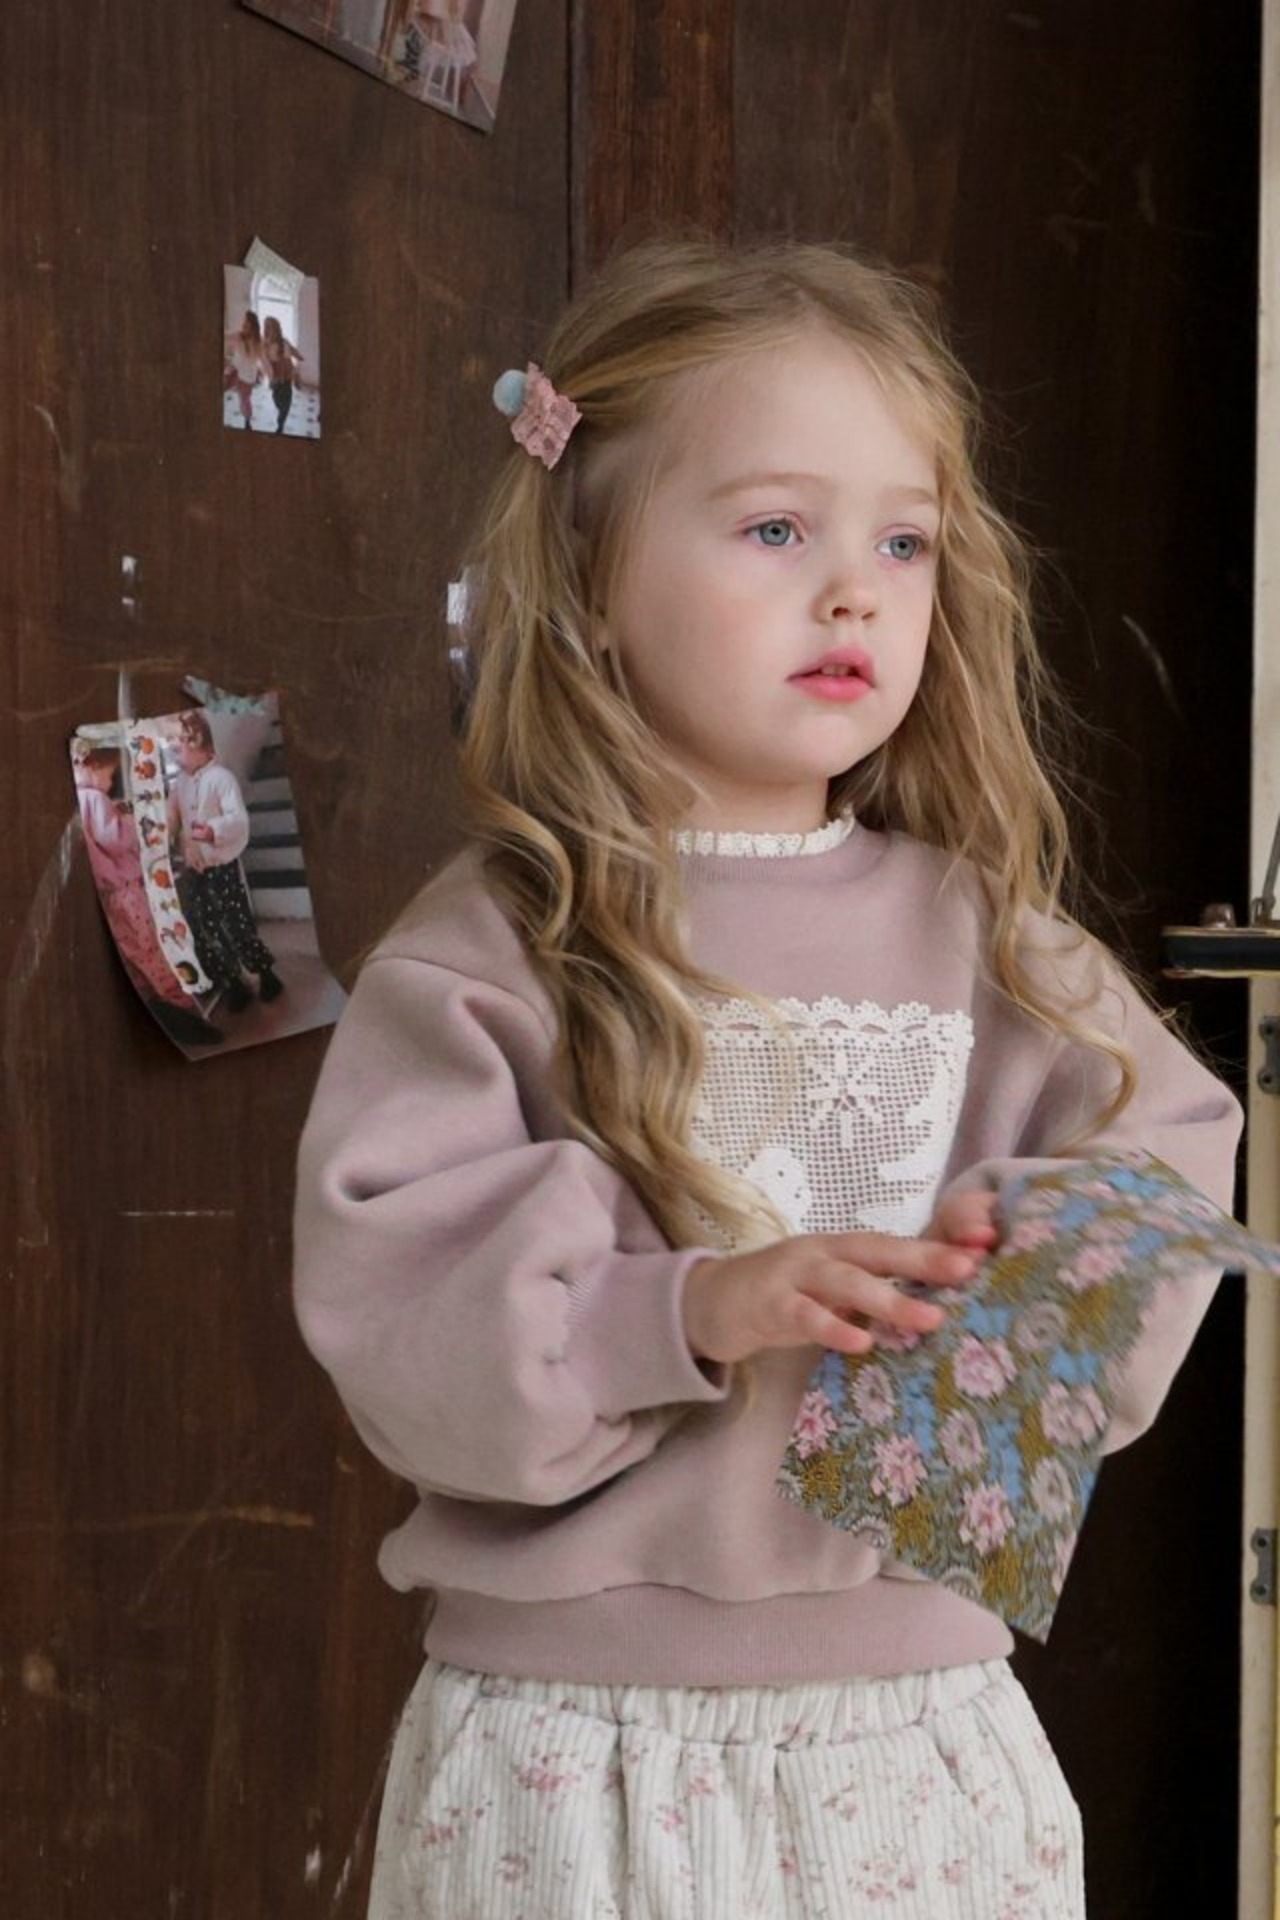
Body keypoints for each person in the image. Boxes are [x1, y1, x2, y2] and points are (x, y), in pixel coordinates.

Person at [292, 239, 1242, 1919]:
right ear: (590, 575)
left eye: (903, 543)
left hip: (916, 1735)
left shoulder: (995, 946)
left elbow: (1160, 1157)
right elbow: (408, 1326)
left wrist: (982, 1319)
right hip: (573, 1748)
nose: (856, 592)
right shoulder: (496, 949)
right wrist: (695, 1310)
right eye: (777, 529)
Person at [73, 744, 224, 1048]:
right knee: (154, 949)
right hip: (126, 892)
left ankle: (163, 1010)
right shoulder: (94, 798)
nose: (109, 783)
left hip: (110, 896)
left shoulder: (79, 800)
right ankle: (186, 1014)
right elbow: (116, 838)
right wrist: (134, 821)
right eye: (109, 775)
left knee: (135, 956)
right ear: (91, 767)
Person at [167, 710, 284, 1012]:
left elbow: (238, 819)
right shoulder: (181, 783)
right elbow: (172, 816)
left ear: (200, 747)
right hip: (196, 870)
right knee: (205, 928)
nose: (175, 756)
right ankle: (233, 982)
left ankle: (266, 973)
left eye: (180, 748)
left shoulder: (221, 778)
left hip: (223, 869)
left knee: (237, 925)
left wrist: (213, 830)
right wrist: (165, 835)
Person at [224, 310, 266, 430]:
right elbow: (226, 336)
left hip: (247, 377)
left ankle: (247, 421)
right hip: (234, 370)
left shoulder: (258, 342)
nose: (243, 326)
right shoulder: (238, 336)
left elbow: (264, 360)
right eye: (243, 323)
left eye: (246, 325)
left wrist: (270, 374)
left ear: (253, 328)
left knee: (244, 400)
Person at [262, 315, 303, 435]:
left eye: (272, 327)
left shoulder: (284, 341)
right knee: (277, 401)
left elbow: (292, 350)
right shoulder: (265, 345)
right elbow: (264, 361)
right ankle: (282, 414)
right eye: (267, 327)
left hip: (287, 378)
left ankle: (281, 424)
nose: (269, 330)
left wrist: (299, 356)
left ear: (277, 329)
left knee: (286, 404)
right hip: (276, 379)